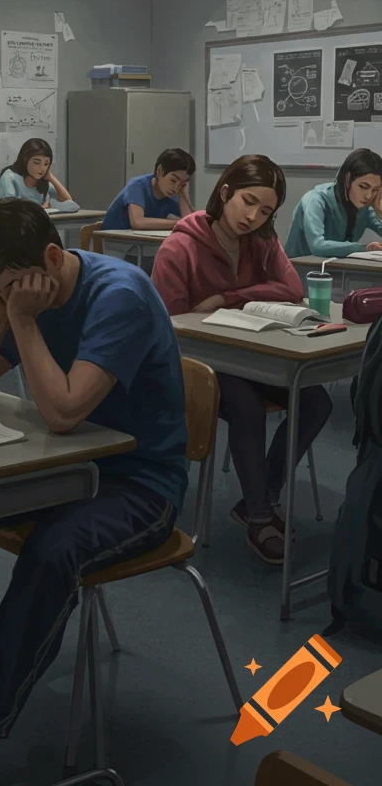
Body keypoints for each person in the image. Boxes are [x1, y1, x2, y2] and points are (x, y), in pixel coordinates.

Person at [0, 198, 187, 782]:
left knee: (54, 551)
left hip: (141, 483)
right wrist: (1, 312)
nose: (3, 298)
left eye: (3, 289)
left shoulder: (116, 295)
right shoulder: (26, 290)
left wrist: (21, 319)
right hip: (67, 469)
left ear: (51, 257)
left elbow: (65, 411)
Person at [151, 154, 333, 565]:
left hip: (252, 357)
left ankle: (263, 496)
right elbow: (171, 326)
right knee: (247, 407)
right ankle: (257, 517)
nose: (252, 216)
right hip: (196, 365)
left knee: (317, 400)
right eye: (247, 202)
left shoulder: (262, 240)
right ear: (226, 192)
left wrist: (228, 298)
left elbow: (291, 289)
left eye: (265, 210)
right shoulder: (179, 246)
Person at [285, 148, 382, 257]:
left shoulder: (365, 208)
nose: (368, 196)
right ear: (347, 178)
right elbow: (318, 246)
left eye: (375, 190)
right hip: (300, 270)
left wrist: (380, 212)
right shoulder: (315, 200)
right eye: (363, 187)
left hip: (335, 270)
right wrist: (364, 248)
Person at [101, 147, 196, 231]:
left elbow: (190, 222)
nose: (176, 188)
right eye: (173, 180)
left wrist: (183, 195)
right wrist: (178, 223)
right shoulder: (137, 186)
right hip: (112, 242)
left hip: (137, 242)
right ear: (159, 171)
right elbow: (138, 222)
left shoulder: (170, 194)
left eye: (182, 184)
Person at [0, 137, 73, 208]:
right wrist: (42, 208)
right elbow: (10, 207)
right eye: (36, 162)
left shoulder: (43, 180)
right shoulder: (10, 176)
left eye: (46, 164)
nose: (42, 168)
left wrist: (51, 177)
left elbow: (68, 201)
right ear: (25, 160)